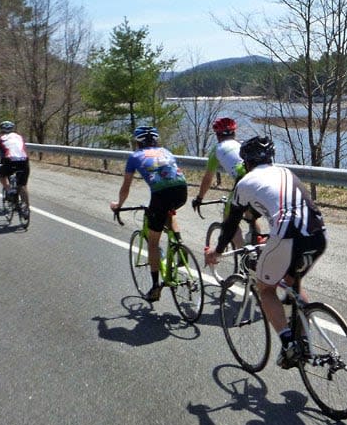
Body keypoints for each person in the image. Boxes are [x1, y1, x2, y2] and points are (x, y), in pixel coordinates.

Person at [204, 135, 327, 369]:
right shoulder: (286, 173)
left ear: (246, 162)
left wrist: (217, 251)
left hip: (288, 236)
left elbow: (231, 224)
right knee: (293, 282)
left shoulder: (244, 183)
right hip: (319, 234)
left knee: (266, 289)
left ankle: (289, 343)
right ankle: (304, 340)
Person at [110, 126, 188, 303]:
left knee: (153, 243)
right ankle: (179, 243)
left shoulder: (134, 157)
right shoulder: (166, 151)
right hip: (182, 191)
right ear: (155, 141)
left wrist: (118, 205)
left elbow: (126, 187)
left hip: (160, 196)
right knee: (169, 211)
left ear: (138, 143)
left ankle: (155, 287)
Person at [191, 116, 263, 247]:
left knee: (229, 222)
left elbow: (208, 178)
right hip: (259, 178)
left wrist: (199, 198)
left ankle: (244, 256)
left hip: (243, 182)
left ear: (217, 136)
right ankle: (257, 245)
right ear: (234, 134)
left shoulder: (217, 149)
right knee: (251, 214)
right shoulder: (241, 144)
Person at [0, 120, 30, 208]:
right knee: (22, 184)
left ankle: (9, 189)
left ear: (1, 129)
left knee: (1, 175)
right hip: (24, 160)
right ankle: (26, 208)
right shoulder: (19, 137)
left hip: (9, 160)